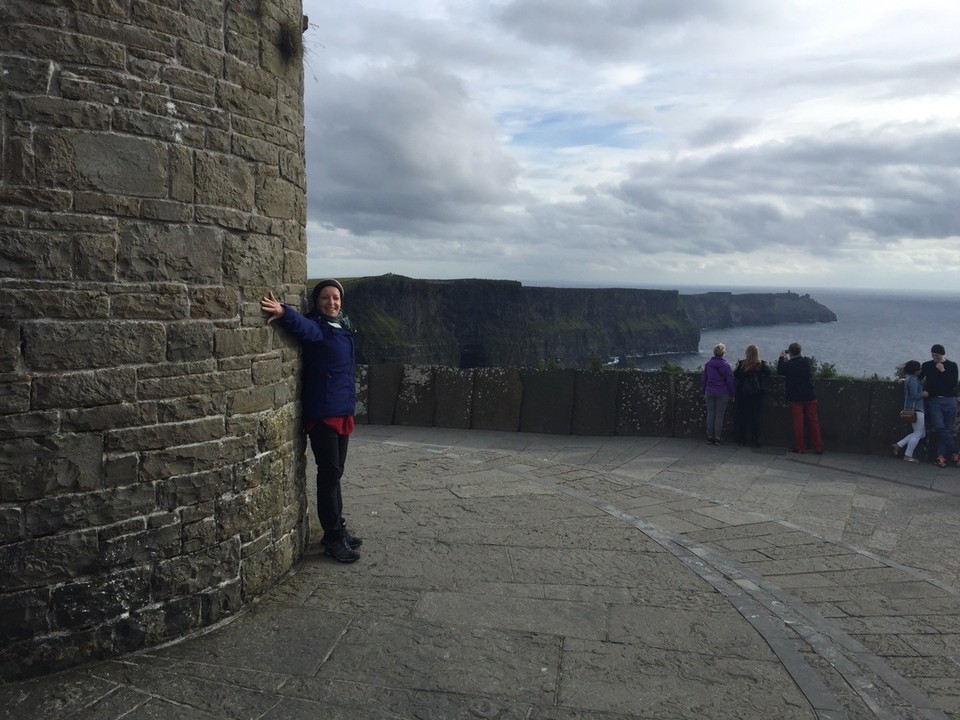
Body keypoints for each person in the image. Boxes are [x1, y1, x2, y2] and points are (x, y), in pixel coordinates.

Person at [260, 280, 363, 563]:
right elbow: (303, 328)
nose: (332, 303)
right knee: (329, 475)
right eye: (326, 298)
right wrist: (284, 311)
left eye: (336, 298)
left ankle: (337, 526)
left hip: (341, 410)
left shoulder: (342, 326)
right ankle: (331, 537)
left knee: (336, 473)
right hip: (323, 413)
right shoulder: (317, 327)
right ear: (316, 302)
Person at [777, 342, 823, 454]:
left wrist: (782, 357)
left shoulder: (789, 364)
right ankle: (818, 446)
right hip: (810, 395)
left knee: (798, 422)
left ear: (790, 352)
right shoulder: (807, 361)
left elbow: (780, 371)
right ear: (800, 351)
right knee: (813, 420)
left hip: (795, 397)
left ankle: (799, 447)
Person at [919, 343, 959, 468]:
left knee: (946, 428)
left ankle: (940, 456)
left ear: (942, 354)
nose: (935, 357)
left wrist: (943, 371)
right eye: (933, 355)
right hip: (934, 400)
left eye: (937, 355)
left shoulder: (952, 366)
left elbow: (953, 383)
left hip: (950, 400)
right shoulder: (927, 365)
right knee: (939, 426)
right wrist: (905, 380)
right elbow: (918, 378)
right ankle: (955, 451)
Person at [733, 344, 771, 448]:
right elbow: (769, 372)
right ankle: (755, 440)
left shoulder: (742, 364)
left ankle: (742, 439)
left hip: (743, 394)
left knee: (743, 417)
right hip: (756, 395)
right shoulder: (760, 365)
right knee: (756, 417)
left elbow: (735, 374)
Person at [701, 343, 735, 445]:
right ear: (723, 353)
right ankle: (717, 438)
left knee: (710, 414)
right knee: (719, 416)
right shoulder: (726, 366)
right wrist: (733, 393)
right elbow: (730, 381)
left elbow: (704, 379)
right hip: (722, 392)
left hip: (709, 391)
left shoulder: (708, 364)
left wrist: (703, 391)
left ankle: (709, 437)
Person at [892, 360, 925, 463]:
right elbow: (915, 395)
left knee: (921, 433)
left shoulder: (908, 378)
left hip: (910, 408)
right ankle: (908, 455)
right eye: (919, 368)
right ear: (915, 370)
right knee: (918, 433)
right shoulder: (914, 380)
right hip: (916, 409)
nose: (920, 370)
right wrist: (923, 394)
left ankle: (898, 445)